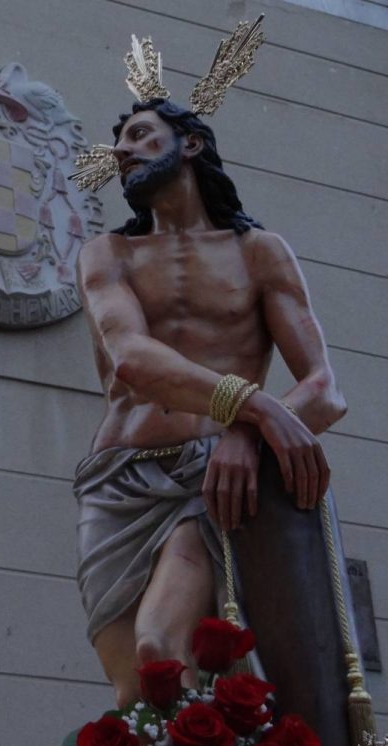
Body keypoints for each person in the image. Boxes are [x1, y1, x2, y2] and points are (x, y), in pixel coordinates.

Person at [73, 97, 347, 707]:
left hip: (212, 478)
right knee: (133, 695)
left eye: (141, 136)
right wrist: (258, 409)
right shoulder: (106, 256)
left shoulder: (257, 252)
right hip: (117, 480)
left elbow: (325, 389)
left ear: (190, 145)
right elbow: (133, 361)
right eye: (120, 142)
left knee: (159, 651)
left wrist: (246, 434)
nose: (122, 151)